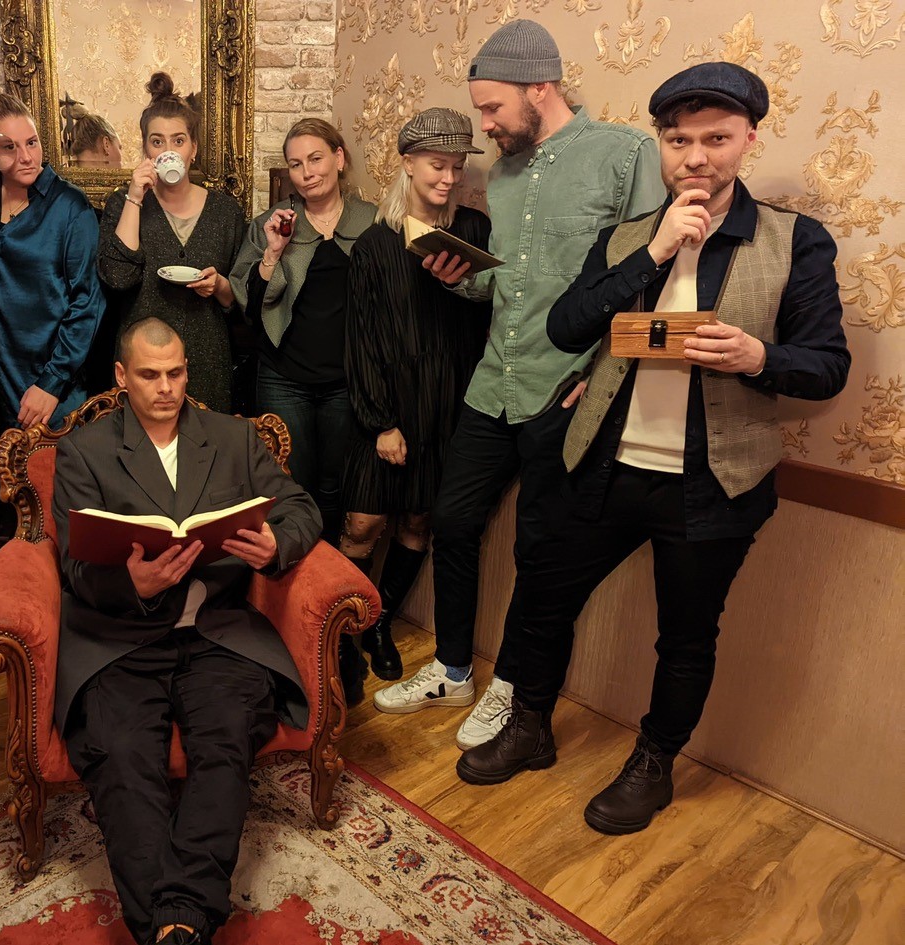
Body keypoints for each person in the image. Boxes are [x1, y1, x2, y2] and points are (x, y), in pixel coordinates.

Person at [456, 63, 850, 834]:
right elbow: (567, 327)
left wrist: (758, 357)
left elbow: (826, 366)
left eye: (715, 139)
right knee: (541, 600)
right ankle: (530, 725)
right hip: (601, 466)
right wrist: (653, 253)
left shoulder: (794, 240)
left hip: (712, 483)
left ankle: (653, 761)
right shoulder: (628, 236)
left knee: (685, 637)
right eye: (677, 140)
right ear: (661, 145)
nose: (695, 157)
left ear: (747, 140)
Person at [374, 20, 666, 747]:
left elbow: (650, 281)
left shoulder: (625, 155)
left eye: (492, 108)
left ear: (540, 88)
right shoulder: (503, 176)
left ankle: (512, 686)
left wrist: (602, 373)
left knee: (539, 551)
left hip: (564, 390)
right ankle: (452, 670)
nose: (484, 125)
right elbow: (506, 288)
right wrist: (458, 277)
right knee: (452, 522)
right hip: (491, 385)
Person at [52, 318, 321, 945]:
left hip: (217, 632)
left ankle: (173, 933)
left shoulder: (233, 438)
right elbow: (74, 566)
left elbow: (301, 508)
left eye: (175, 372)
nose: (166, 387)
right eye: (150, 375)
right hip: (120, 637)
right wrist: (132, 585)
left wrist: (277, 544)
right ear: (122, 377)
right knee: (123, 755)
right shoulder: (84, 451)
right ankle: (179, 932)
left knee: (226, 743)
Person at [337, 109, 491, 704]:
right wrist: (381, 423)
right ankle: (342, 638)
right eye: (436, 165)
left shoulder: (474, 230)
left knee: (419, 521)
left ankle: (378, 623)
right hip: (387, 408)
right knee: (363, 524)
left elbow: (489, 313)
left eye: (457, 167)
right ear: (407, 162)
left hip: (449, 406)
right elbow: (362, 339)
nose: (448, 178)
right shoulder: (376, 244)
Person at [0, 86, 105, 551]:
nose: (25, 156)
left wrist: (51, 383)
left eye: (32, 142)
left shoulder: (70, 208)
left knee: (59, 511)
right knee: (6, 514)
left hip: (46, 386)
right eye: (10, 146)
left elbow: (87, 303)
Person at [229, 118, 377, 545]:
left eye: (315, 159)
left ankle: (326, 571)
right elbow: (248, 306)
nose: (307, 172)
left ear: (339, 158)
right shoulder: (272, 223)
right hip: (284, 378)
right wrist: (273, 253)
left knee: (334, 487)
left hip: (346, 381)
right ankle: (292, 572)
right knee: (291, 485)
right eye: (296, 164)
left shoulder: (372, 221)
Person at [98, 72, 246, 413]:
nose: (168, 151)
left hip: (207, 359)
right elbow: (118, 278)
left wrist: (219, 285)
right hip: (143, 365)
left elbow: (241, 300)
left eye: (178, 141)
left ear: (193, 149)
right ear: (146, 150)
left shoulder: (225, 212)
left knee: (208, 443)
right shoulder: (123, 204)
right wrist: (135, 197)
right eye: (157, 142)